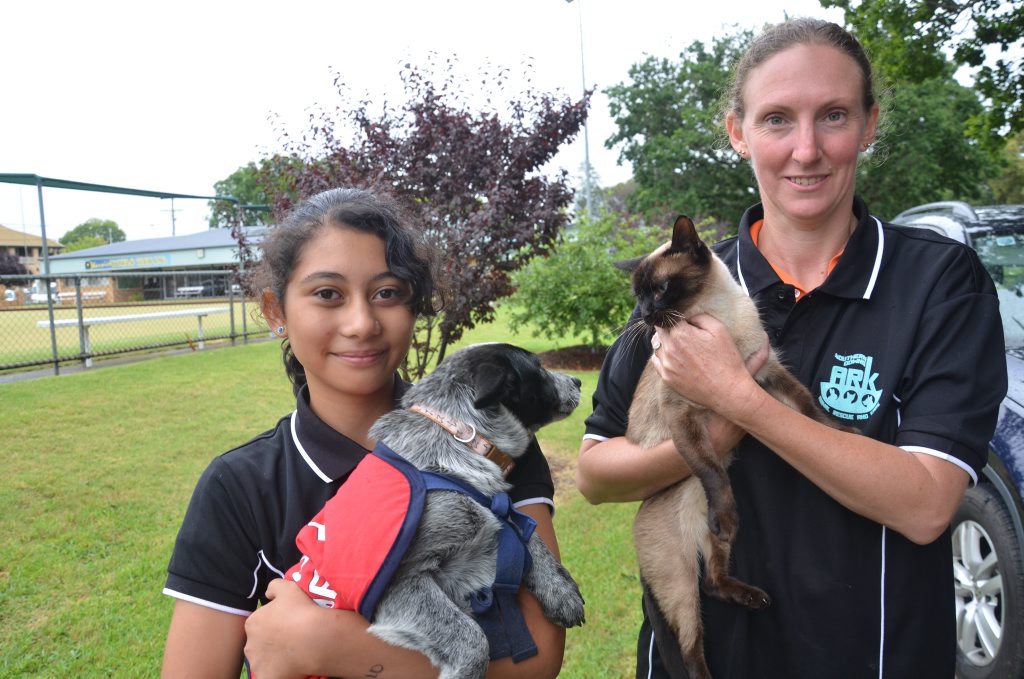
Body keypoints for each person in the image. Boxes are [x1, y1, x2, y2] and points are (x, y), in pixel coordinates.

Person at [576, 17, 1006, 679]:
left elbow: (925, 506)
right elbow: (595, 474)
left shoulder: (938, 283)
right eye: (777, 119)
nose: (806, 150)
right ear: (738, 133)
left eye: (833, 115)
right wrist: (710, 439)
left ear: (869, 124)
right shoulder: (681, 288)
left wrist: (740, 400)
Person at [161, 187, 569, 679]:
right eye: (327, 294)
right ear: (276, 312)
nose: (361, 323)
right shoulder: (241, 485)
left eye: (387, 293)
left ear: (415, 305)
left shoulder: (490, 442)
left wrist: (322, 642)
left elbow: (539, 657)